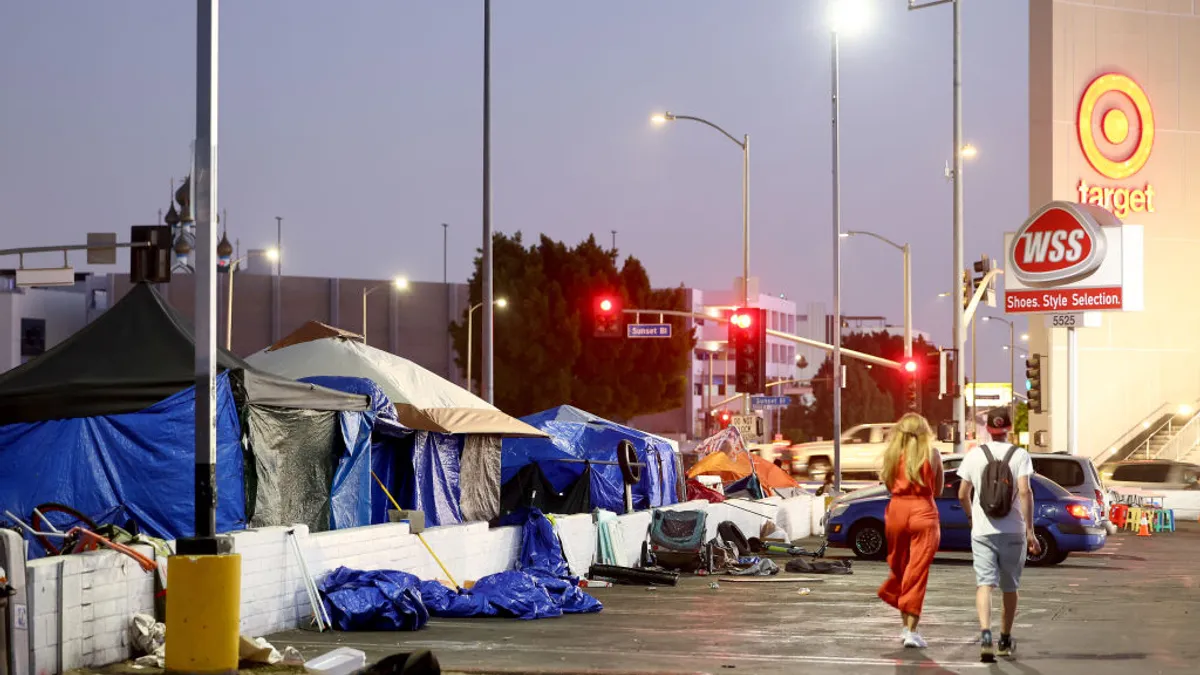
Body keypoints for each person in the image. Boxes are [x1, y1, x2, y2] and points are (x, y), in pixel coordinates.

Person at [957, 407, 1040, 662]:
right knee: (1010, 587)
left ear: (988, 430)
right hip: (1013, 531)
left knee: (985, 585)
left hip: (982, 531)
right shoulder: (1020, 455)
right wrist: (1030, 531)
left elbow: (962, 494)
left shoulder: (974, 455)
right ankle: (1004, 640)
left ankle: (985, 636)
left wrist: (972, 518)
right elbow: (1025, 492)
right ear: (1009, 429)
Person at [877, 413, 944, 649]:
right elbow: (938, 489)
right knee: (916, 572)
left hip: (897, 510)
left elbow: (887, 484)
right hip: (923, 511)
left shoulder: (892, 455)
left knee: (901, 568)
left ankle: (905, 627)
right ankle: (910, 631)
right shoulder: (933, 454)